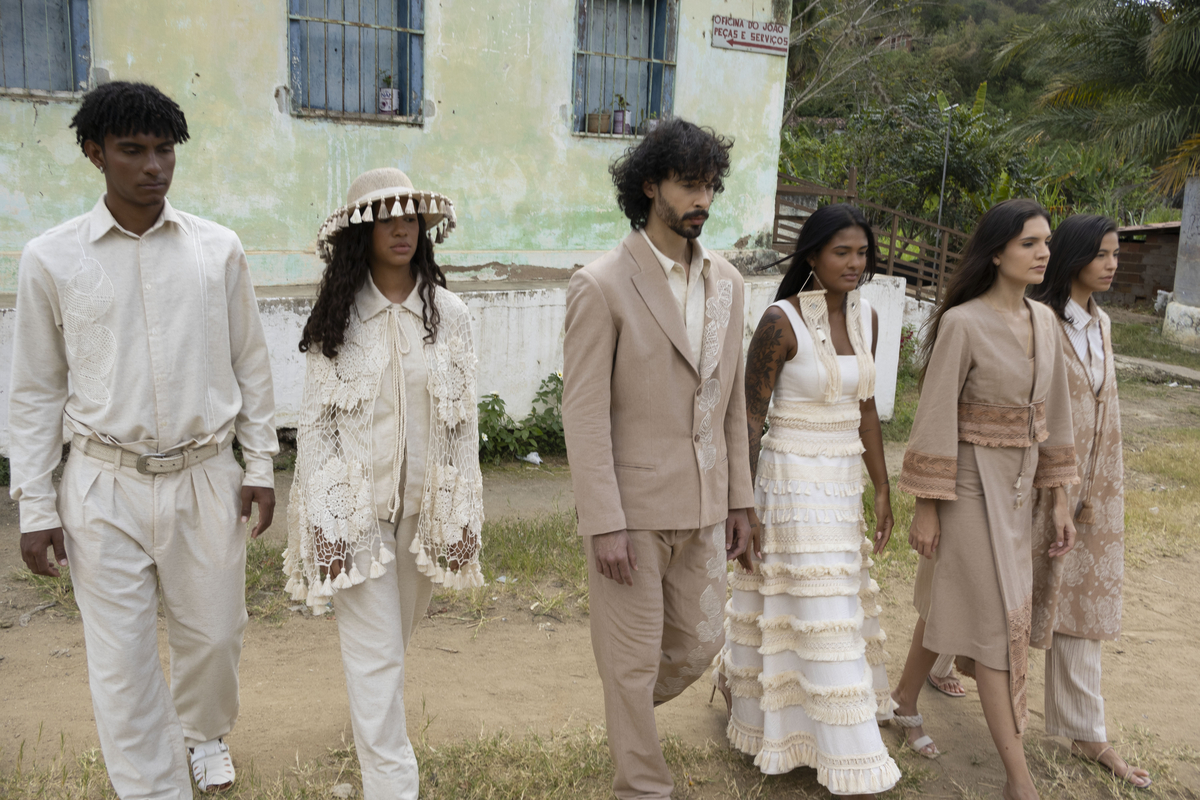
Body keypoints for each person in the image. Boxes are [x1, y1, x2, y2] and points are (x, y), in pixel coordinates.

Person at [11, 81, 278, 797]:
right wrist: (35, 504)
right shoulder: (51, 259)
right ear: (94, 153)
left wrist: (260, 462)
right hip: (102, 483)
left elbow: (251, 363)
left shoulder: (217, 251)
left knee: (214, 636)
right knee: (121, 663)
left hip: (205, 473)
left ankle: (205, 732)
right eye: (132, 150)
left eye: (164, 150)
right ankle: (153, 788)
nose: (153, 166)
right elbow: (35, 390)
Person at [562, 118, 755, 800]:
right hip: (632, 511)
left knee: (700, 643)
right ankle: (642, 785)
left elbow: (731, 400)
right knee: (632, 658)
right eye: (688, 184)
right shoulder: (601, 285)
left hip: (705, 503)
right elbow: (583, 413)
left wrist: (740, 500)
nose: (702, 199)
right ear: (649, 186)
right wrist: (603, 521)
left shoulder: (729, 283)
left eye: (711, 185)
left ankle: (628, 710)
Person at [283, 167, 483, 800]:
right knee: (375, 658)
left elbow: (463, 424)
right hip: (354, 515)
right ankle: (392, 785)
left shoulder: (450, 316)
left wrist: (459, 511)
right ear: (361, 233)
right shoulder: (338, 318)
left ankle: (371, 722)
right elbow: (316, 423)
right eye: (387, 219)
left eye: (411, 218)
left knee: (390, 647)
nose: (402, 229)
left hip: (425, 513)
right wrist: (323, 518)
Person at [890, 199, 1079, 800]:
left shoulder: (1045, 321)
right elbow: (934, 413)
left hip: (1020, 489)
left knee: (954, 597)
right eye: (1029, 243)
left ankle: (902, 700)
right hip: (967, 486)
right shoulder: (963, 323)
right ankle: (1018, 780)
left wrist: (1059, 499)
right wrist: (926, 504)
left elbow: (1056, 416)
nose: (1043, 253)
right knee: (995, 621)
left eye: (1046, 242)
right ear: (996, 253)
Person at [712, 204, 901, 796]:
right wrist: (741, 504)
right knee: (810, 607)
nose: (855, 263)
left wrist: (882, 488)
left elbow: (866, 409)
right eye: (842, 252)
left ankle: (784, 716)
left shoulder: (869, 318)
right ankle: (848, 754)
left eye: (862, 252)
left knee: (833, 601)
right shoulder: (780, 321)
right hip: (790, 481)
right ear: (813, 255)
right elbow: (749, 417)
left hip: (841, 483)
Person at [1027, 215, 1151, 789]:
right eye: (1101, 254)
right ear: (1073, 256)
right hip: (1035, 483)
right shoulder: (1041, 322)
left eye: (1116, 254)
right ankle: (946, 661)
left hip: (1092, 490)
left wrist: (1097, 486)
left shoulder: (1101, 325)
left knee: (1080, 601)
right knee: (1001, 584)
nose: (1112, 264)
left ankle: (1086, 730)